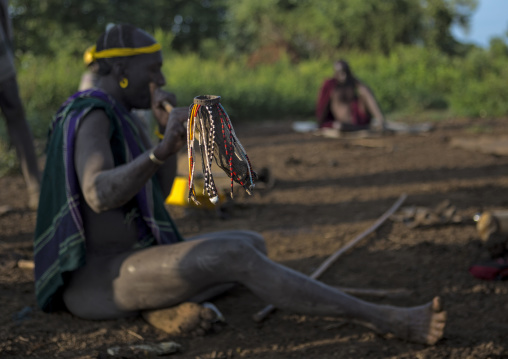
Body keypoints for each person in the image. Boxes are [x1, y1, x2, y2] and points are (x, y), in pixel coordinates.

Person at [34, 24, 446, 345]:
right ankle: (382, 317)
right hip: (100, 281)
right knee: (235, 255)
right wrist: (159, 151)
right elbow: (99, 194)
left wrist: (169, 143)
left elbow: (153, 194)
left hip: (130, 262)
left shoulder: (124, 115)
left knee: (253, 243)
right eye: (154, 68)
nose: (160, 77)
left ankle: (160, 304)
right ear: (122, 70)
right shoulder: (92, 114)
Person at [0, 0, 41, 209]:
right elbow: (6, 20)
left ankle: (35, 188)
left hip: (4, 65)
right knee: (17, 123)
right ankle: (35, 188)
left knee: (17, 121)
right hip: (4, 63)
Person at [316, 60, 387, 132]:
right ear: (335, 73)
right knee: (339, 126)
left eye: (345, 72)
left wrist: (356, 82)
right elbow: (322, 108)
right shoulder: (330, 85)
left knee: (364, 91)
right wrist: (324, 123)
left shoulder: (351, 81)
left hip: (358, 119)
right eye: (341, 72)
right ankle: (361, 128)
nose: (344, 75)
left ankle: (381, 121)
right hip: (343, 123)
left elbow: (365, 90)